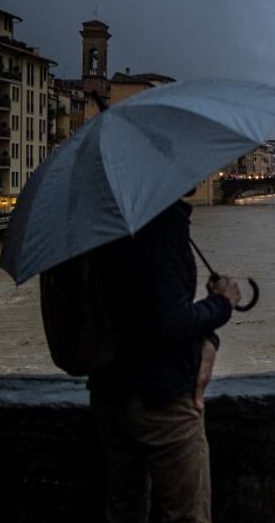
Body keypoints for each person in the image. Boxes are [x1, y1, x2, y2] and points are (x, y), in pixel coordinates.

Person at [87, 199, 241, 523]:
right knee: (185, 514)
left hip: (109, 390)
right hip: (162, 396)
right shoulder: (162, 219)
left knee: (123, 509)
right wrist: (221, 304)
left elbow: (133, 310)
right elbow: (170, 323)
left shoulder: (101, 215)